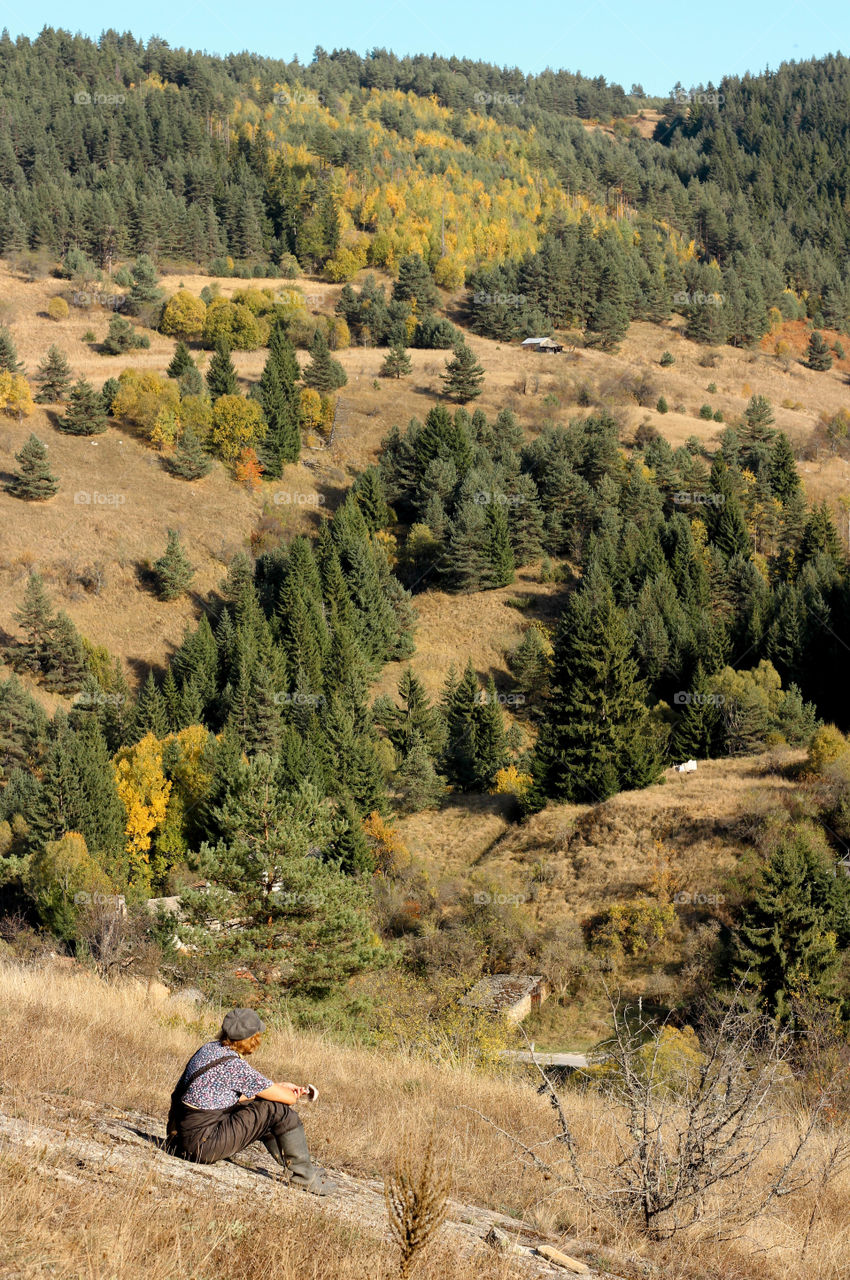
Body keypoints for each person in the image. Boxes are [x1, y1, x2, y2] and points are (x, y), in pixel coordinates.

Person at [165, 1007, 336, 1195]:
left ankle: (297, 1167)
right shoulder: (235, 1066)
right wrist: (290, 1092)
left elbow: (228, 1094)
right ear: (251, 1039)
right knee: (275, 1109)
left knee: (259, 1105)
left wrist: (278, 1086)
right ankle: (304, 1177)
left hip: (177, 1137)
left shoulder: (208, 1049)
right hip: (201, 1146)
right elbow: (287, 1100)